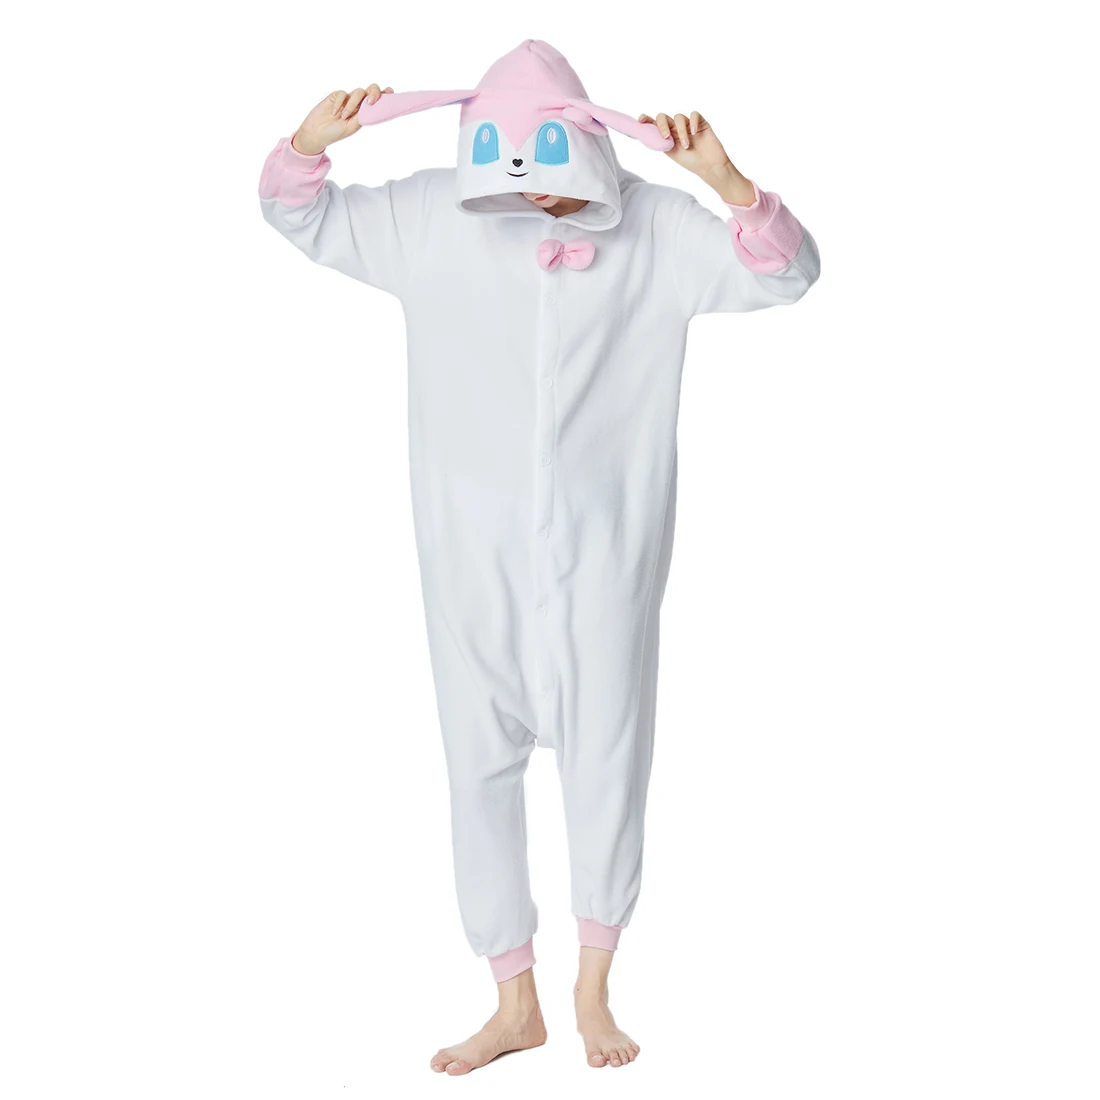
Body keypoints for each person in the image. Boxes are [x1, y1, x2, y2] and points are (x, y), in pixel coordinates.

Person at [259, 39, 819, 1076]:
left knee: (607, 751)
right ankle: (511, 999)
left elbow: (787, 274)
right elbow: (303, 215)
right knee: (476, 762)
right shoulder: (429, 218)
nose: (533, 191)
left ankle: (592, 987)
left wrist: (728, 184)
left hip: (607, 548)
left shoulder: (657, 229)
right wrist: (305, 145)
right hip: (466, 547)